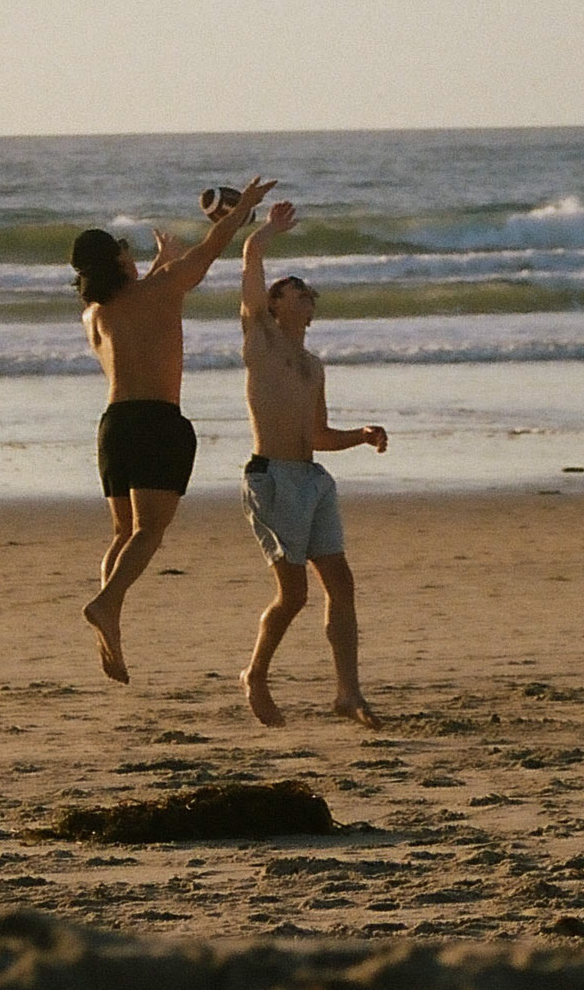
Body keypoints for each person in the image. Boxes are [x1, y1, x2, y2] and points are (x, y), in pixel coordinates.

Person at [70, 174, 274, 684]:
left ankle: (111, 623)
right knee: (149, 531)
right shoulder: (157, 290)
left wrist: (165, 259)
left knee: (123, 533)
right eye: (127, 252)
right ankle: (107, 603)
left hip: (113, 426)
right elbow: (212, 250)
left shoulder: (94, 314)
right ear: (120, 261)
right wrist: (242, 207)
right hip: (157, 420)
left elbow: (149, 300)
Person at [235, 200, 388, 728]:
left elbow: (318, 434)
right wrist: (266, 233)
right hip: (272, 478)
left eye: (303, 289)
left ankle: (348, 691)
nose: (299, 291)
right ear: (275, 305)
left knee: (340, 583)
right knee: (293, 594)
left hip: (311, 479)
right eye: (289, 288)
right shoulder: (260, 337)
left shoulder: (313, 365)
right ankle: (255, 674)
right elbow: (250, 260)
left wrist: (362, 435)